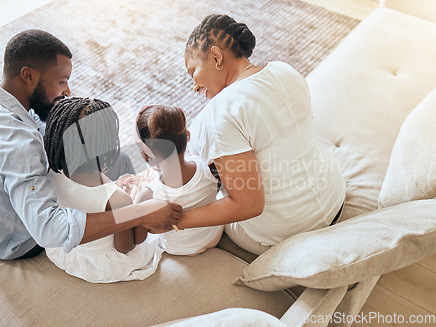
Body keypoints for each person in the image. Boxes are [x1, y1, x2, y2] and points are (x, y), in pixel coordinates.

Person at [0, 29, 181, 260]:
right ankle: (126, 215)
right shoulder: (20, 145)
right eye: (61, 82)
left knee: (91, 149)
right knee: (119, 161)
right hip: (15, 240)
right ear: (28, 75)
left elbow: (30, 123)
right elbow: (49, 230)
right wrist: (138, 214)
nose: (66, 91)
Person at [179, 14, 346, 255]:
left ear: (216, 57)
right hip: (333, 199)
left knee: (201, 176)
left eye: (193, 72)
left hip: (288, 232)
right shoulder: (284, 69)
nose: (194, 86)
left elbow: (249, 205)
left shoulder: (221, 112)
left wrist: (178, 221)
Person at [43, 97, 163, 282]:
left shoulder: (50, 172)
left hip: (67, 249)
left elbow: (86, 198)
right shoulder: (118, 200)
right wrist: (139, 203)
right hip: (104, 264)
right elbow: (125, 247)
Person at [134, 105, 223, 256]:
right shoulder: (208, 168)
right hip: (213, 237)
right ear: (187, 136)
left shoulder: (149, 194)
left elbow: (137, 238)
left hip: (178, 249)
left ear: (146, 156)